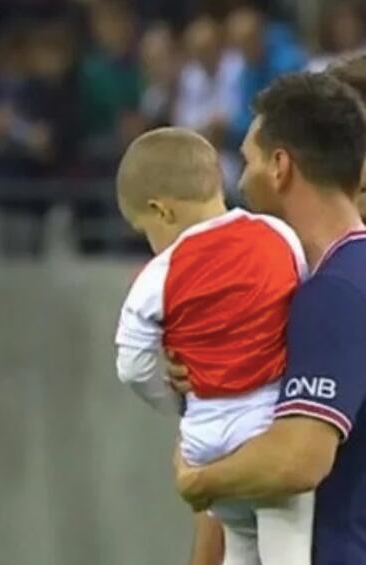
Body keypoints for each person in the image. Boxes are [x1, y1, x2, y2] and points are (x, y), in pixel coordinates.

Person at [173, 72, 366, 564]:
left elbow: (297, 460)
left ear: (280, 166)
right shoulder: (335, 280)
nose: (239, 180)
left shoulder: (337, 291)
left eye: (247, 160)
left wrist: (200, 477)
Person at [115, 127, 311, 564]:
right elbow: (304, 305)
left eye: (143, 229)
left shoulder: (158, 274)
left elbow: (131, 365)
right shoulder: (277, 235)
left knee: (239, 548)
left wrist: (172, 399)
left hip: (204, 441)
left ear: (160, 211)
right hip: (268, 429)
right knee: (288, 552)